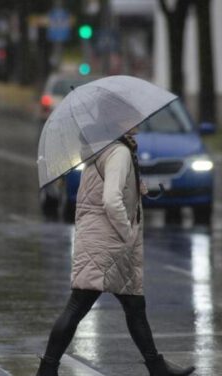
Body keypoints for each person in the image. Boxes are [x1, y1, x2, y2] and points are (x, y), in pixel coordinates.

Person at [36, 129, 195, 376]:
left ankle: (157, 367)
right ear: (118, 124)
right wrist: (127, 231)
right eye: (131, 121)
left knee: (134, 306)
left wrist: (136, 187)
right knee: (78, 305)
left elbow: (102, 188)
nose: (138, 125)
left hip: (100, 239)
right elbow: (111, 199)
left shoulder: (103, 147)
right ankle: (47, 369)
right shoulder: (119, 151)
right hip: (108, 242)